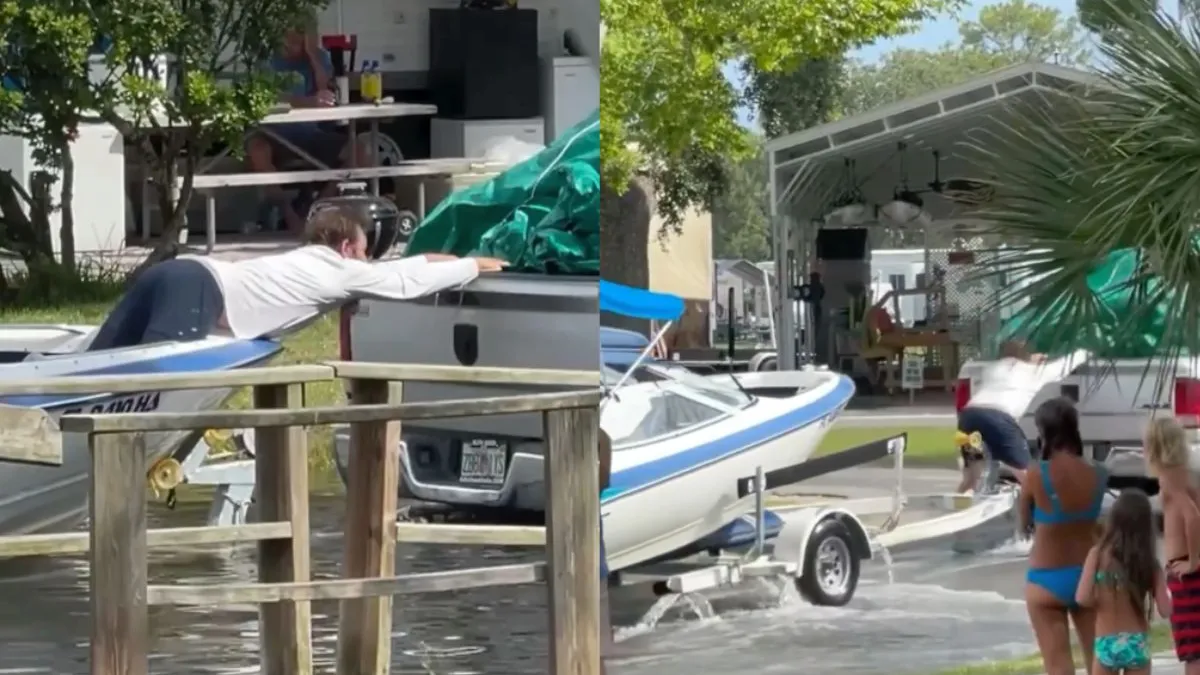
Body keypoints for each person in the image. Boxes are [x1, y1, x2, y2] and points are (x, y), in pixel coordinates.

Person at [86, 209, 506, 350]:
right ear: (345, 248)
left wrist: (434, 258)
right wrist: (470, 267)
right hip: (197, 288)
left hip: (174, 274)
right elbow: (401, 285)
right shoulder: (338, 271)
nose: (365, 261)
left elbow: (394, 271)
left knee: (97, 361)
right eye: (362, 251)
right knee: (150, 378)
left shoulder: (315, 263)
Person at [247, 25, 368, 232]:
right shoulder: (266, 59)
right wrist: (308, 102)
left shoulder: (319, 58)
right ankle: (288, 214)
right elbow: (270, 97)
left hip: (310, 134)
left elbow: (326, 90)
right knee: (257, 149)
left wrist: (312, 54)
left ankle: (316, 210)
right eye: (293, 31)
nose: (297, 38)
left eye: (303, 32)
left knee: (361, 151)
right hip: (275, 134)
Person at [1019, 396, 1108, 675]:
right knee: (1098, 660)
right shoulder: (1099, 473)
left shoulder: (1036, 475)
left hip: (1045, 578)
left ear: (1043, 432)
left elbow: (1024, 524)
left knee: (1057, 665)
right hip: (1088, 576)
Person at [957, 341, 1089, 492]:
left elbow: (1015, 363)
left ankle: (958, 509)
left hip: (969, 417)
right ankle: (1044, 511)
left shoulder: (993, 368)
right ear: (1026, 356)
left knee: (972, 476)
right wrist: (1086, 351)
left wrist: (1033, 359)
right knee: (1027, 474)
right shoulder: (1035, 372)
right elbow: (1064, 366)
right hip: (997, 418)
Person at [1075, 488, 1170, 675]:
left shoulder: (1097, 555)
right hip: (1137, 642)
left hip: (1106, 640)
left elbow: (1082, 598)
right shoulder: (1149, 562)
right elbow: (1166, 610)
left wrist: (1105, 592)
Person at [1145, 417, 1200, 672]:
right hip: (1188, 566)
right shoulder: (1187, 474)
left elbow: (1192, 516)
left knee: (1193, 652)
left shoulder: (1170, 477)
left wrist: (1193, 561)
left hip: (1186, 571)